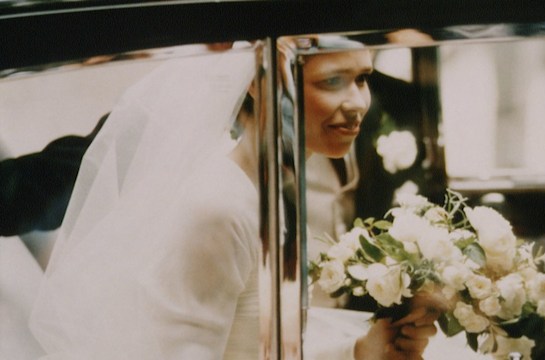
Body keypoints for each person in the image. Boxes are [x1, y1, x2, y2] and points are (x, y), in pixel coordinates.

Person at [29, 42, 443, 359]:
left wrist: (356, 351)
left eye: (362, 79)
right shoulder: (220, 208)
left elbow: (250, 344)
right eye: (331, 82)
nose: (356, 104)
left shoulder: (273, 192)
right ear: (261, 81)